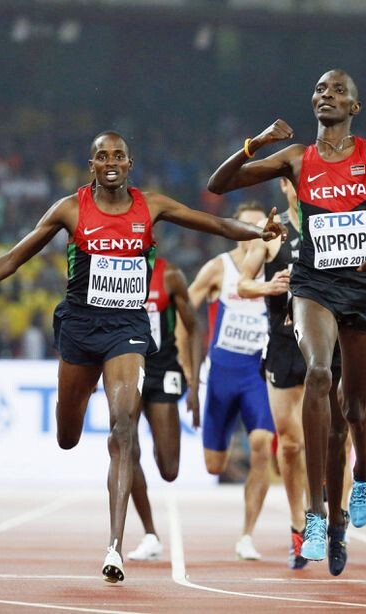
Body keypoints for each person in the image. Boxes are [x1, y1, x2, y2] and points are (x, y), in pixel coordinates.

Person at [0, 131, 284, 583]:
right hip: (80, 329)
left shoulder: (151, 206)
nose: (111, 162)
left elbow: (213, 224)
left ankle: (114, 546)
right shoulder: (70, 209)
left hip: (127, 330)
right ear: (92, 166)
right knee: (68, 436)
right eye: (103, 156)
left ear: (130, 164)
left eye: (119, 155)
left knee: (123, 427)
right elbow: (12, 259)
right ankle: (79, 427)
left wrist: (258, 232)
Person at [207, 69, 366, 570]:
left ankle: (364, 472)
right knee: (317, 374)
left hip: (362, 288)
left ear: (354, 107)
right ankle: (315, 514)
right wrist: (258, 142)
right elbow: (219, 183)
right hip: (313, 285)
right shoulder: (297, 158)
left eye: (338, 91)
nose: (326, 95)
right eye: (319, 89)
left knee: (354, 407)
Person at [187, 202, 275, 562]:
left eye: (259, 228)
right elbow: (184, 308)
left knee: (261, 444)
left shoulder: (276, 271)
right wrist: (184, 360)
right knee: (214, 465)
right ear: (235, 232)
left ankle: (247, 535)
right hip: (221, 375)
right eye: (247, 228)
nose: (254, 235)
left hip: (257, 375)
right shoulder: (218, 268)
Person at [236, 178, 311, 570]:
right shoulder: (272, 231)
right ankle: (299, 525)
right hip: (283, 345)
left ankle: (329, 515)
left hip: (322, 343)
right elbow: (243, 284)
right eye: (294, 180)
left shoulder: (328, 224)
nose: (302, 185)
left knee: (328, 436)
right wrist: (269, 287)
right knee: (292, 444)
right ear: (284, 185)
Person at [126, 256, 198, 562]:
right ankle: (150, 534)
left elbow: (193, 328)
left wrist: (194, 385)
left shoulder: (169, 275)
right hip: (125, 366)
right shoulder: (109, 270)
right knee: (126, 448)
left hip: (163, 369)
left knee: (169, 470)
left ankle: (156, 440)